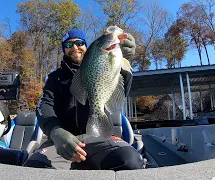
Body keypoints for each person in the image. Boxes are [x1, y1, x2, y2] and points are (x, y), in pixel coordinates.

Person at [24, 29, 145, 170]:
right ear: (64, 50)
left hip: (102, 137)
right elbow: (44, 106)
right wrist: (55, 132)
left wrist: (124, 60)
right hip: (62, 141)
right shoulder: (54, 78)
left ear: (86, 46)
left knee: (130, 162)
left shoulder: (106, 61)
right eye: (69, 45)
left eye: (79, 43)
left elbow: (122, 85)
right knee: (35, 168)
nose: (75, 47)